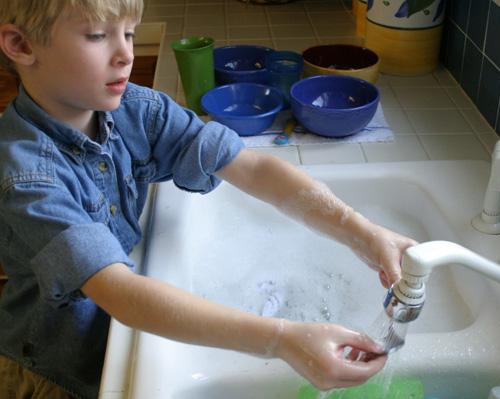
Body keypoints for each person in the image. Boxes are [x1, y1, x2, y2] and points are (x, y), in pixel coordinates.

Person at [0, 1, 417, 398]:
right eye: (96, 36)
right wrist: (281, 339)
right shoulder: (28, 178)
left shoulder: (135, 111)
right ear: (21, 45)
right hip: (58, 371)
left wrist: (362, 232)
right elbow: (119, 291)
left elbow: (252, 169)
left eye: (128, 33)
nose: (124, 53)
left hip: (112, 337)